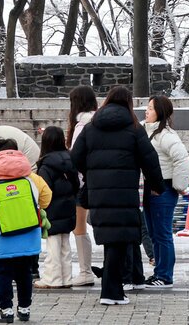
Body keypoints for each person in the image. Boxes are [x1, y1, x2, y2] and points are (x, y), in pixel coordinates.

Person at [70, 85, 165, 309]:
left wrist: (91, 173)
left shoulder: (91, 127)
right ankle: (111, 292)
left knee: (111, 242)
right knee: (119, 243)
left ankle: (112, 290)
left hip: (98, 193)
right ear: (128, 103)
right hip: (124, 193)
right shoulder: (134, 128)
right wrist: (157, 186)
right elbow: (149, 160)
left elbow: (75, 157)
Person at [0, 144, 49, 324]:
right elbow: (46, 198)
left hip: (1, 236)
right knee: (25, 272)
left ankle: (6, 311)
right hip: (28, 235)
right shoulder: (31, 179)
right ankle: (24, 309)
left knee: (3, 273)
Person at [143, 96, 189, 288]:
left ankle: (165, 275)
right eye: (146, 107)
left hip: (163, 187)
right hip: (149, 186)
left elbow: (183, 160)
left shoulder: (166, 136)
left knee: (162, 233)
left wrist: (178, 186)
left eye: (151, 108)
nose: (146, 111)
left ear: (160, 112)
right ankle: (158, 272)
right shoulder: (148, 132)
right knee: (154, 233)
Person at [34, 126, 78, 289]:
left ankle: (52, 278)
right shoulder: (69, 159)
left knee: (53, 245)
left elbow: (44, 190)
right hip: (68, 207)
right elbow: (76, 185)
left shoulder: (45, 165)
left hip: (52, 208)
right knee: (65, 244)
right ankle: (66, 277)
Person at [66, 85, 98, 287]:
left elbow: (76, 156)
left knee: (79, 228)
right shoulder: (99, 121)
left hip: (83, 183)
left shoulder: (81, 126)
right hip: (101, 180)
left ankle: (85, 270)